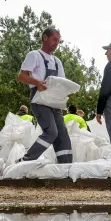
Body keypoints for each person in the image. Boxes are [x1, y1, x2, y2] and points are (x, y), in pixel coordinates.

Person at [17, 28, 72, 163]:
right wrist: (37, 82)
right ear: (45, 38)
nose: (56, 44)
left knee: (63, 134)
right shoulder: (34, 55)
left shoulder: (57, 61)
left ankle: (65, 165)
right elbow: (21, 76)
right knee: (51, 132)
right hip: (39, 99)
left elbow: (62, 82)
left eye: (58, 41)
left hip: (54, 101)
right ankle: (25, 160)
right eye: (54, 40)